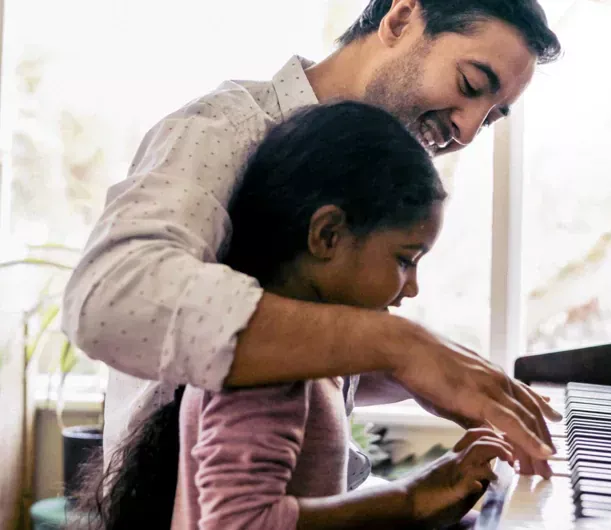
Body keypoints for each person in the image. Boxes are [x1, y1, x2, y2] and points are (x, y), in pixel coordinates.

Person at [61, 0, 563, 484]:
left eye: (492, 117)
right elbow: (110, 302)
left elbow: (289, 351)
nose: (468, 131)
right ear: (403, 18)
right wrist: (400, 346)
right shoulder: (223, 129)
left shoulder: (357, 171)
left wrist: (446, 373)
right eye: (470, 84)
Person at [77, 101, 515, 530]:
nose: (412, 286)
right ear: (327, 235)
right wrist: (410, 499)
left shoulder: (301, 358)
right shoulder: (275, 375)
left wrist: (446, 384)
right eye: (405, 259)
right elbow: (238, 523)